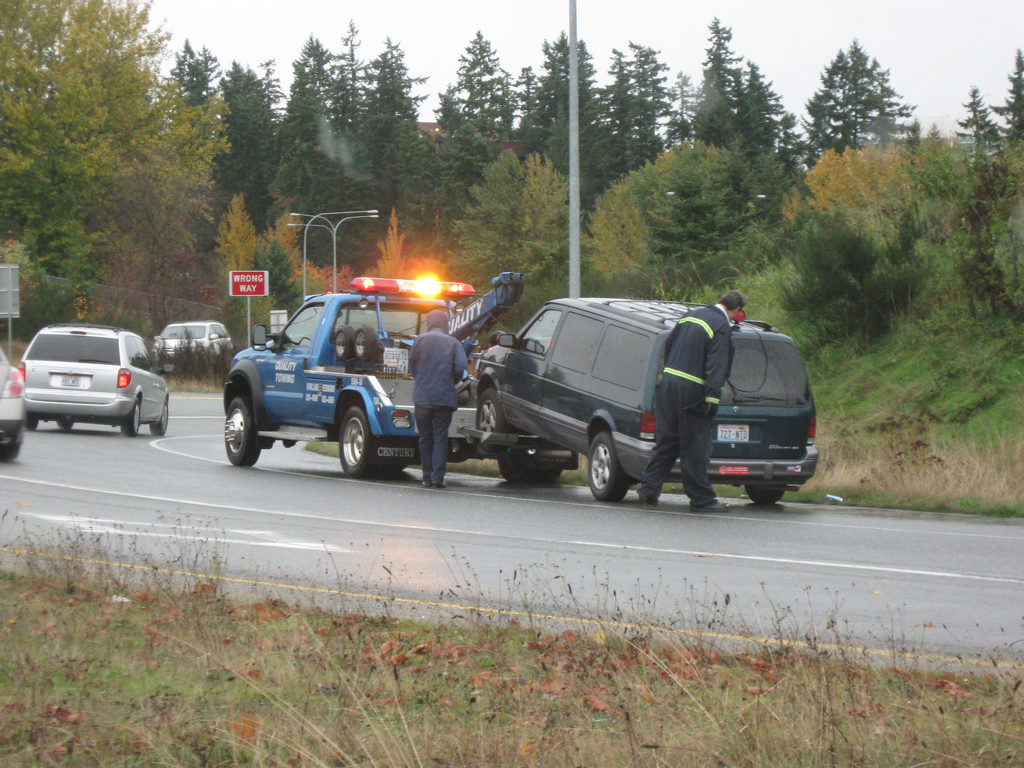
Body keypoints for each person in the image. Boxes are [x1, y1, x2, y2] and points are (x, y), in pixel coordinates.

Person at [637, 290, 746, 512]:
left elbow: (668, 345)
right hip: (692, 391)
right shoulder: (721, 327)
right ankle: (701, 500)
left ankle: (648, 491)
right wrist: (712, 396)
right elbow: (717, 366)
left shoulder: (690, 315)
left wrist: (669, 374)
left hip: (668, 386)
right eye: (738, 314)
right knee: (695, 446)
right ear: (736, 310)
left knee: (667, 441)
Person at [410, 309, 467, 488]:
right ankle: (438, 477)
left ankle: (426, 477)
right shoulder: (453, 343)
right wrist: (452, 380)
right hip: (444, 397)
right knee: (440, 437)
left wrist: (420, 378)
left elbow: (411, 364)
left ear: (429, 322)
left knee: (425, 438)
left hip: (422, 397)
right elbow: (460, 367)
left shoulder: (419, 340)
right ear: (445, 323)